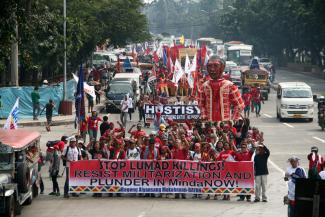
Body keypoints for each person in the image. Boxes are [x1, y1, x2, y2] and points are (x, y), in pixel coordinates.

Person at [199, 55, 244, 122]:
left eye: (215, 66)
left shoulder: (230, 86)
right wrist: (204, 116)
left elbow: (239, 105)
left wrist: (233, 120)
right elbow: (201, 104)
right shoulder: (204, 86)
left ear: (222, 67)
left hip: (225, 125)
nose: (212, 69)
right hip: (208, 125)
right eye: (209, 66)